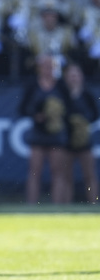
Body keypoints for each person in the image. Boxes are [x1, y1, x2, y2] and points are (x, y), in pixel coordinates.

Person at [18, 54, 71, 204]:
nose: (47, 69)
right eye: (44, 66)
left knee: (58, 172)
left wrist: (57, 115)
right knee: (35, 172)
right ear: (39, 68)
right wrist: (36, 115)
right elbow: (22, 108)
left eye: (51, 66)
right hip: (38, 133)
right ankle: (32, 206)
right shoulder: (33, 85)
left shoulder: (61, 85)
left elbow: (68, 107)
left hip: (57, 133)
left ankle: (57, 207)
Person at [62, 63, 99, 204]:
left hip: (84, 140)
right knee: (66, 176)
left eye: (76, 75)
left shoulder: (87, 94)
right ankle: (65, 205)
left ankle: (93, 203)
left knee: (89, 174)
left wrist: (83, 121)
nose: (74, 78)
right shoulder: (62, 93)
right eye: (71, 75)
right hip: (65, 140)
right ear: (66, 78)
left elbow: (95, 114)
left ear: (81, 77)